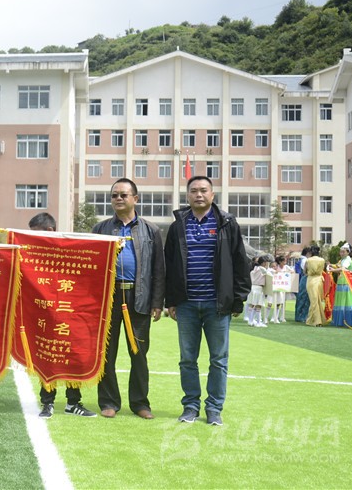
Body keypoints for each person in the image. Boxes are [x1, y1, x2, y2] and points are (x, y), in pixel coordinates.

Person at [164, 175, 251, 427]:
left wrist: (238, 298)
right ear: (188, 195)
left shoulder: (226, 223)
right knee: (187, 359)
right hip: (187, 304)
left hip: (217, 305)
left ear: (212, 195)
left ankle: (214, 408)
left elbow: (240, 262)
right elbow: (169, 263)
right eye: (194, 191)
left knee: (218, 360)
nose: (199, 195)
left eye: (203, 190)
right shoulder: (178, 226)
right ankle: (190, 406)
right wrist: (171, 300)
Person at [91, 178, 165, 420]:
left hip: (139, 297)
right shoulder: (100, 229)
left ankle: (140, 403)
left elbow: (158, 269)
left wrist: (157, 302)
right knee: (106, 353)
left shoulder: (151, 230)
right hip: (108, 298)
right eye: (114, 195)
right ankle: (109, 401)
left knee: (139, 353)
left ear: (136, 198)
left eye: (123, 194)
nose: (118, 199)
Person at [30, 212, 98, 419]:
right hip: (47, 311)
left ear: (50, 230)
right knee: (47, 355)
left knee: (73, 355)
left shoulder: (71, 247)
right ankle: (47, 402)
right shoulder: (35, 251)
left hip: (72, 312)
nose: (34, 238)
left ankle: (73, 402)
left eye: (37, 233)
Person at [330, 243, 352, 328]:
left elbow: (343, 269)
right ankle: (341, 321)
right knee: (341, 302)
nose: (341, 253)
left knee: (347, 302)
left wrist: (332, 270)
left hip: (347, 283)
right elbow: (340, 268)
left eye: (343, 252)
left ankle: (348, 321)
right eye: (341, 252)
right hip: (342, 283)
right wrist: (332, 268)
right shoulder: (343, 260)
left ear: (348, 252)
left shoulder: (348, 259)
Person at [304, 246, 327, 327]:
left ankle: (317, 321)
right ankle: (311, 320)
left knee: (313, 301)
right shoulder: (322, 260)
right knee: (317, 301)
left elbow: (305, 271)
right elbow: (324, 270)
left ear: (311, 252)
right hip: (319, 280)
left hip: (311, 280)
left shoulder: (308, 260)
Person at [294, 247, 311, 323]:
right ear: (308, 253)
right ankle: (302, 316)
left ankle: (299, 316)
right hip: (305, 280)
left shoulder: (300, 260)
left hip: (301, 280)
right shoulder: (305, 260)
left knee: (301, 298)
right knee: (304, 298)